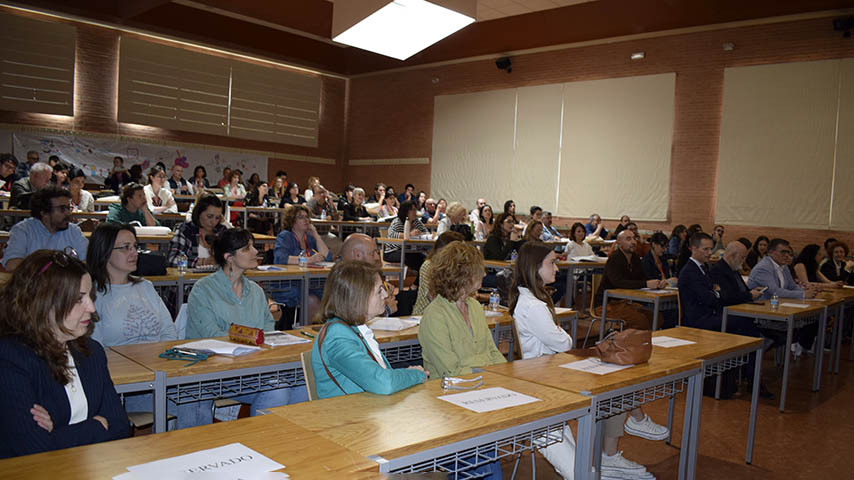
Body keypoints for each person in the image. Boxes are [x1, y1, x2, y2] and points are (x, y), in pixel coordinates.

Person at [510, 241, 657, 479]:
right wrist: (562, 335)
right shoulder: (534, 306)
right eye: (552, 263)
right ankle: (620, 440)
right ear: (535, 268)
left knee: (613, 380)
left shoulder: (531, 301)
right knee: (574, 461)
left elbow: (561, 341)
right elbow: (565, 343)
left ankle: (606, 459)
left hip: (548, 376)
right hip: (544, 384)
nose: (557, 268)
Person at [0, 249, 130, 458]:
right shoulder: (10, 359)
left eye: (90, 296)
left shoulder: (91, 352)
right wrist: (97, 425)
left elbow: (120, 426)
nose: (91, 307)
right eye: (79, 299)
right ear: (43, 303)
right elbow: (33, 449)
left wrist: (57, 434)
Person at [185, 228, 294, 424]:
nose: (255, 252)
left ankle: (265, 446)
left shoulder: (255, 291)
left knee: (296, 386)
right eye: (247, 248)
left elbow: (268, 331)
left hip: (251, 370)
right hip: (212, 373)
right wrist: (251, 346)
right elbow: (211, 337)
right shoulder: (203, 290)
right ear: (229, 257)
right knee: (279, 389)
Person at [311, 261, 427, 399]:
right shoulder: (337, 337)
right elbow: (383, 383)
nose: (385, 295)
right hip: (347, 417)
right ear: (358, 296)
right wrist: (416, 374)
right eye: (379, 290)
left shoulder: (355, 328)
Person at [419, 241, 506, 376]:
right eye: (479, 270)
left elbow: (492, 351)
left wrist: (506, 374)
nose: (483, 275)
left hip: (483, 382)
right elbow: (450, 370)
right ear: (462, 275)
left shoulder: (476, 307)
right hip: (448, 390)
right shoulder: (435, 315)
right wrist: (490, 373)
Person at [86, 223, 176, 346]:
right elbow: (95, 346)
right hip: (116, 364)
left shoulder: (145, 286)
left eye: (135, 246)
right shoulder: (92, 294)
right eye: (126, 247)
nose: (135, 253)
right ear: (104, 251)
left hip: (156, 360)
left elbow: (168, 331)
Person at [747, 238, 818, 357]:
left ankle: (797, 347)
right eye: (783, 252)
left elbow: (792, 286)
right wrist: (803, 295)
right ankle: (763, 347)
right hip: (762, 314)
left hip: (778, 309)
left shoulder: (783, 267)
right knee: (802, 326)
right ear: (771, 252)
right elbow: (776, 291)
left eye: (788, 252)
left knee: (813, 321)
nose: (786, 255)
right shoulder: (763, 268)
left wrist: (807, 291)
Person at [594, 230, 667, 330]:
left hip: (626, 302)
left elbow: (644, 277)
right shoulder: (615, 258)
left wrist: (657, 283)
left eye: (634, 238)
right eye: (628, 239)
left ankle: (646, 342)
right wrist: (645, 284)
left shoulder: (635, 258)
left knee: (656, 317)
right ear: (619, 243)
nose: (633, 242)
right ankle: (629, 343)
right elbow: (617, 282)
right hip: (607, 303)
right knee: (640, 320)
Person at [2, 187, 88, 272]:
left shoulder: (73, 231)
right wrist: (52, 268)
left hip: (66, 284)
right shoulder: (23, 230)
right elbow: (11, 265)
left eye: (69, 208)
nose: (68, 213)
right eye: (62, 209)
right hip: (33, 284)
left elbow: (87, 262)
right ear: (44, 212)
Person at [273, 205, 332, 321]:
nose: (306, 220)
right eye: (301, 217)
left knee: (330, 295)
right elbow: (281, 258)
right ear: (292, 221)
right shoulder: (285, 236)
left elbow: (327, 257)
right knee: (311, 299)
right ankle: (306, 327)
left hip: (309, 282)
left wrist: (316, 235)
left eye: (307, 217)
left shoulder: (309, 238)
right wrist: (309, 260)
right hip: (288, 283)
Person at [167, 193, 226, 268]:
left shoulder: (222, 232)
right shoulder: (185, 230)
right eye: (209, 216)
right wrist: (203, 262)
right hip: (190, 279)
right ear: (198, 213)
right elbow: (171, 260)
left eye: (217, 218)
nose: (213, 222)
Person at [413, 231, 464, 315]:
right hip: (424, 315)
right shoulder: (428, 266)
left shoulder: (457, 267)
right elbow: (433, 297)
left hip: (448, 314)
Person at [384, 200, 428, 271]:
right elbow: (392, 234)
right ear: (406, 211)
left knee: (425, 260)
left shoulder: (416, 222)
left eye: (415, 209)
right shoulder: (398, 221)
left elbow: (426, 232)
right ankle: (417, 281)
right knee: (416, 260)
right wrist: (410, 234)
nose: (415, 212)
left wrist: (420, 233)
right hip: (393, 252)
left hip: (410, 251)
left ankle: (417, 281)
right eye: (412, 210)